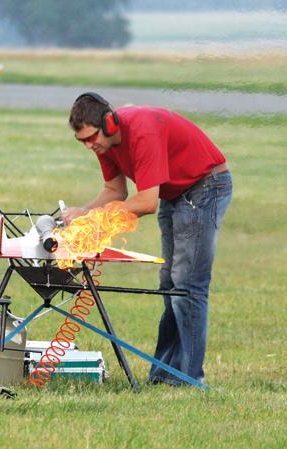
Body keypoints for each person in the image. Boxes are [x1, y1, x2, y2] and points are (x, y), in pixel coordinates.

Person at [63, 92, 232, 385]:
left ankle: (188, 377)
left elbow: (146, 203)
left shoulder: (143, 131)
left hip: (206, 186)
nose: (89, 146)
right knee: (169, 283)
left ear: (109, 123)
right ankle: (165, 373)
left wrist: (95, 220)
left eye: (91, 138)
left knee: (187, 284)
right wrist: (83, 212)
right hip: (174, 193)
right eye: (82, 141)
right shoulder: (105, 145)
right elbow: (115, 191)